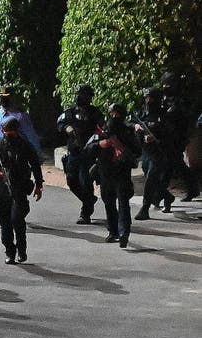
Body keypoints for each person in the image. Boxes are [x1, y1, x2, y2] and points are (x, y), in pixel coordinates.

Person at [0, 117, 44, 264]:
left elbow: (35, 165)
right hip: (2, 188)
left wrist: (39, 185)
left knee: (16, 220)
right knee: (4, 221)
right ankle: (10, 251)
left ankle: (22, 250)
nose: (8, 134)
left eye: (11, 131)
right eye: (5, 131)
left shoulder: (25, 145)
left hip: (19, 188)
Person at [85, 104, 140, 248]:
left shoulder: (128, 132)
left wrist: (124, 150)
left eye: (118, 114)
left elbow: (137, 151)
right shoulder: (103, 131)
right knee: (108, 202)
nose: (115, 116)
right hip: (106, 172)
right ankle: (113, 230)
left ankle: (124, 233)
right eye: (112, 113)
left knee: (123, 203)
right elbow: (88, 148)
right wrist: (101, 144)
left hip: (122, 172)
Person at [57, 84, 103, 224]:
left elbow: (103, 128)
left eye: (81, 94)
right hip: (74, 153)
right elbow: (60, 123)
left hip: (88, 153)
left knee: (85, 182)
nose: (78, 97)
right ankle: (89, 200)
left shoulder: (95, 113)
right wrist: (67, 128)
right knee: (72, 181)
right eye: (77, 94)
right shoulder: (70, 112)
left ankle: (86, 212)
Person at [132, 87, 171, 220]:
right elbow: (129, 122)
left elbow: (170, 134)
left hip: (160, 153)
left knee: (150, 179)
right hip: (146, 153)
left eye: (151, 98)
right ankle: (167, 196)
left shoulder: (163, 115)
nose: (148, 101)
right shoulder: (142, 114)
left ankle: (145, 208)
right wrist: (135, 127)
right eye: (147, 98)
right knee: (153, 180)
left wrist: (155, 137)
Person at [160, 72, 199, 202]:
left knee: (172, 163)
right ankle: (191, 189)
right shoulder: (165, 99)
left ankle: (160, 193)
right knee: (174, 163)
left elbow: (186, 117)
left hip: (177, 136)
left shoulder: (182, 100)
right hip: (167, 136)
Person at [0, 86, 42, 157]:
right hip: (0, 153)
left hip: (18, 154)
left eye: (6, 97)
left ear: (13, 98)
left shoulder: (20, 116)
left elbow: (31, 136)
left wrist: (37, 154)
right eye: (1, 97)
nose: (3, 100)